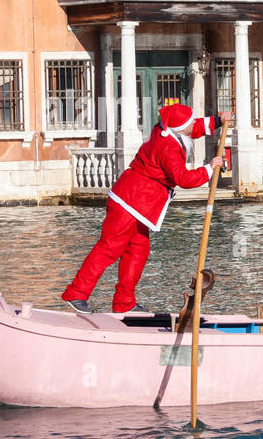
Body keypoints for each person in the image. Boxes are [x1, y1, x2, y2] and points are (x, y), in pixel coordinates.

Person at [62, 103, 223, 314]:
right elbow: (183, 178)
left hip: (140, 207)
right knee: (109, 248)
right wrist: (209, 169)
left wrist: (219, 121)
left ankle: (124, 302)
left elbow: (193, 127)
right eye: (190, 122)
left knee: (138, 250)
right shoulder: (168, 146)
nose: (194, 125)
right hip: (129, 201)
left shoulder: (168, 130)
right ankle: (76, 293)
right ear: (179, 127)